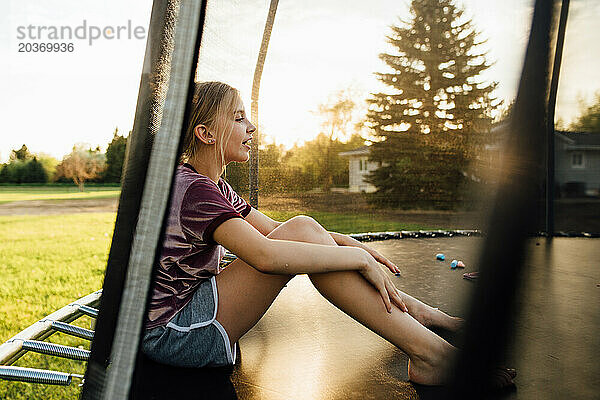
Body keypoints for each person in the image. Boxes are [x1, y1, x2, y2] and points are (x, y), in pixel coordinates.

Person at [142, 81, 481, 386]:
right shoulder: (194, 190)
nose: (251, 126)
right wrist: (358, 258)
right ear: (206, 134)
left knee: (303, 227)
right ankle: (429, 354)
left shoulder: (212, 185)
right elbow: (266, 255)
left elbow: (278, 230)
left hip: (191, 315)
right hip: (177, 333)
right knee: (304, 232)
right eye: (238, 118)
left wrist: (346, 241)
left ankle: (417, 315)